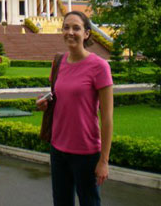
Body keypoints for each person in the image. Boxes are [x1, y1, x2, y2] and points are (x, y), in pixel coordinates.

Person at [37, 11, 113, 206]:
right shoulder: (59, 62)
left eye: (76, 28)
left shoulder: (99, 66)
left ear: (87, 33)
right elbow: (60, 97)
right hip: (58, 149)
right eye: (66, 27)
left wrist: (103, 160)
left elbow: (107, 118)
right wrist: (45, 103)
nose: (70, 32)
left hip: (86, 153)